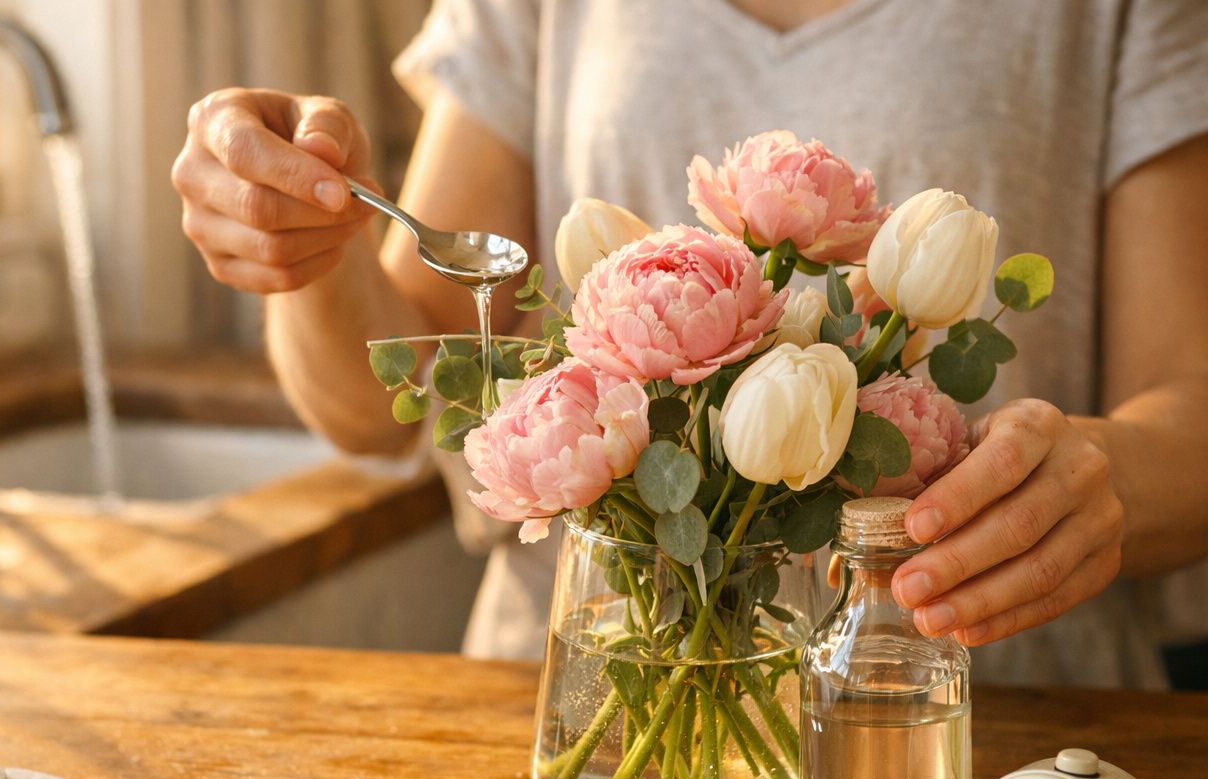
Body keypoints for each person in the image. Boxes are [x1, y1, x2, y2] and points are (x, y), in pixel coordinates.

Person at [172, 0, 1208, 690]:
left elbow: (1190, 409)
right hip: (603, 703)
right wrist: (301, 237)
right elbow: (375, 407)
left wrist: (1094, 477)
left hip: (964, 727)